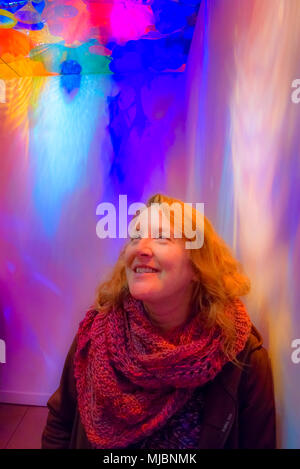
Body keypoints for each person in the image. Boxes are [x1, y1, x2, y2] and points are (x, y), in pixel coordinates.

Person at [41, 193, 276, 449]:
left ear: (198, 267)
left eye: (162, 237)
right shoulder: (96, 335)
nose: (141, 249)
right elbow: (60, 425)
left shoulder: (242, 359)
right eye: (135, 237)